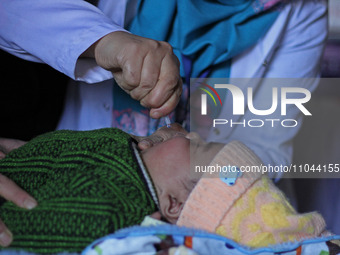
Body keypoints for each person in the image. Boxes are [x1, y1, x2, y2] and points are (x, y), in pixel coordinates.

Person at [0, 126, 329, 253]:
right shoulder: (129, 157)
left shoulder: (116, 200)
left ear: (174, 204)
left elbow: (35, 232)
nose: (189, 135)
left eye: (196, 149)